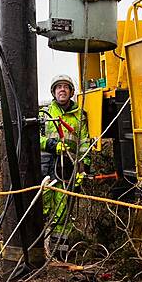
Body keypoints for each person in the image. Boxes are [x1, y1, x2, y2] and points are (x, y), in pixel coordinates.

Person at [39, 74, 92, 255]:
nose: (62, 89)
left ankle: (59, 253)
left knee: (63, 212)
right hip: (47, 169)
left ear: (71, 92)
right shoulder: (44, 114)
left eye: (65, 87)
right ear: (54, 92)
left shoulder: (80, 117)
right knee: (42, 208)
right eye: (58, 87)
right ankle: (38, 249)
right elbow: (35, 139)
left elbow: (85, 144)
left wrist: (83, 169)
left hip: (68, 170)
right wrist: (53, 145)